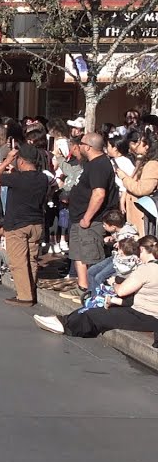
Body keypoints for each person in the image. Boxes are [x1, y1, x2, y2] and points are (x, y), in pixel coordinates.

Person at [34, 235, 158, 337]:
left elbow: (122, 291)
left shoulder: (146, 269)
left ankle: (67, 326)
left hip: (144, 314)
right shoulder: (150, 268)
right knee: (98, 307)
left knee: (97, 315)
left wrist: (113, 282)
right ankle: (63, 319)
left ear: (142, 249)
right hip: (147, 313)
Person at [0, 143, 51, 305]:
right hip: (36, 223)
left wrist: (6, 160)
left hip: (17, 224)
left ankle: (25, 296)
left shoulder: (17, 178)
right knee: (31, 259)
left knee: (18, 261)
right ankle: (30, 289)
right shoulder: (43, 178)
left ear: (21, 161)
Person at [66, 133, 117, 300]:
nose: (78, 146)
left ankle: (95, 293)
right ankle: (83, 286)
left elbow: (99, 194)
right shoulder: (91, 164)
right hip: (78, 217)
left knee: (91, 255)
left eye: (80, 143)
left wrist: (87, 217)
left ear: (87, 146)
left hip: (91, 219)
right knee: (79, 253)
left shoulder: (100, 165)